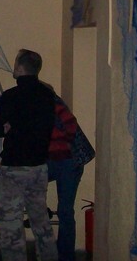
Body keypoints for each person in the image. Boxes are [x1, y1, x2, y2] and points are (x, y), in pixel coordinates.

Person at [0, 49, 58, 261]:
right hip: (39, 167)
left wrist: (7, 127)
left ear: (19, 67)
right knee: (41, 222)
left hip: (14, 168)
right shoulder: (48, 95)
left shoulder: (11, 96)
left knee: (11, 225)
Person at [48, 95, 94, 261]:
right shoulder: (48, 103)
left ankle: (65, 255)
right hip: (64, 160)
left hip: (69, 160)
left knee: (65, 210)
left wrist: (59, 145)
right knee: (65, 210)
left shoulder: (51, 104)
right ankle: (64, 253)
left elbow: (70, 125)